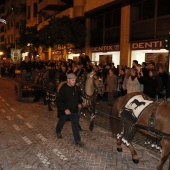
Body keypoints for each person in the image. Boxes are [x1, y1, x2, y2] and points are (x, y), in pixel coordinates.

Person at [56, 73, 86, 147]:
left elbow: (79, 97)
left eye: (75, 80)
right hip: (65, 110)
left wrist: (82, 102)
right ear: (68, 80)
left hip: (74, 110)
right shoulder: (63, 88)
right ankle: (58, 131)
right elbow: (59, 101)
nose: (74, 81)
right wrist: (65, 109)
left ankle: (77, 140)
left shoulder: (76, 88)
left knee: (75, 125)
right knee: (62, 121)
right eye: (73, 80)